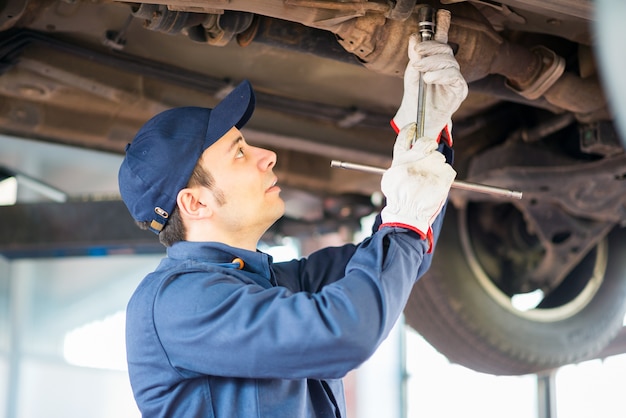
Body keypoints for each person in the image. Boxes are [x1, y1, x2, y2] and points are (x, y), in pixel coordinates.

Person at [118, 28, 467, 418]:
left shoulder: (274, 283)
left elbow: (402, 257)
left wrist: (425, 135)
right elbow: (345, 333)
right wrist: (404, 222)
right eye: (239, 153)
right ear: (196, 202)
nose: (267, 155)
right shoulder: (176, 303)